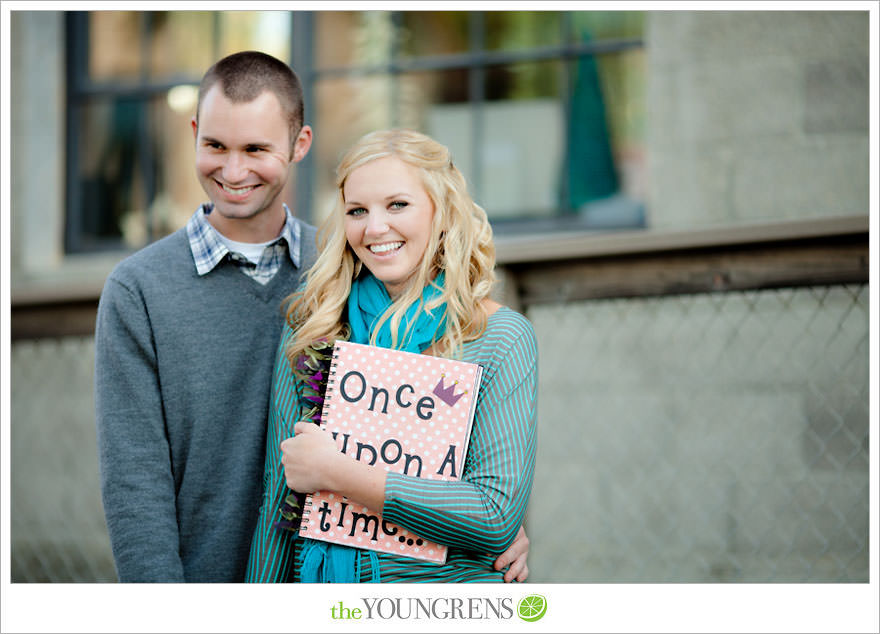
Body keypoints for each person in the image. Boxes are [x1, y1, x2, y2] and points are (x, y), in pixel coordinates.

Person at [95, 51, 530, 583]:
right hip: (204, 579)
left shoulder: (331, 277)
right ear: (194, 135)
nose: (234, 170)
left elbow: (483, 495)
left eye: (256, 148)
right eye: (215, 145)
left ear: (299, 144)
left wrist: (493, 526)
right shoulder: (145, 291)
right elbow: (135, 486)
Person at [246, 129, 538, 582]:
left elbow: (494, 516)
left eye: (397, 205)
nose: (375, 227)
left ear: (442, 213)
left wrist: (339, 473)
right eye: (357, 211)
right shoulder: (314, 328)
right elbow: (277, 509)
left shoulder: (498, 338)